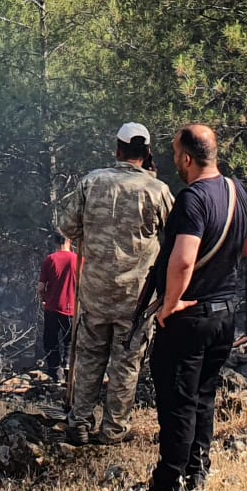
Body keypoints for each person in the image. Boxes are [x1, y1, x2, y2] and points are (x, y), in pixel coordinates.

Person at [140, 124, 247, 491]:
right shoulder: (239, 191)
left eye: (176, 154)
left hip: (190, 315)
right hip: (225, 314)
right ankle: (197, 470)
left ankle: (166, 486)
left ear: (187, 158)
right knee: (204, 394)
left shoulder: (191, 199)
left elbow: (183, 261)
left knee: (177, 401)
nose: (175, 160)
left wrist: (171, 303)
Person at [60, 122, 175, 444]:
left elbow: (67, 227)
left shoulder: (91, 183)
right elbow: (175, 237)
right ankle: (113, 430)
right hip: (135, 297)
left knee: (89, 357)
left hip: (95, 291)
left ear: (118, 149)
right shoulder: (158, 191)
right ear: (148, 152)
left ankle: (80, 422)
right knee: (126, 362)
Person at [38, 233, 79, 375]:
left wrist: (44, 299)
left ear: (55, 242)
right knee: (70, 340)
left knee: (51, 341)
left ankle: (55, 374)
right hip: (73, 309)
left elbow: (41, 287)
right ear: (70, 241)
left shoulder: (50, 260)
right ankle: (68, 367)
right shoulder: (79, 260)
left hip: (52, 308)